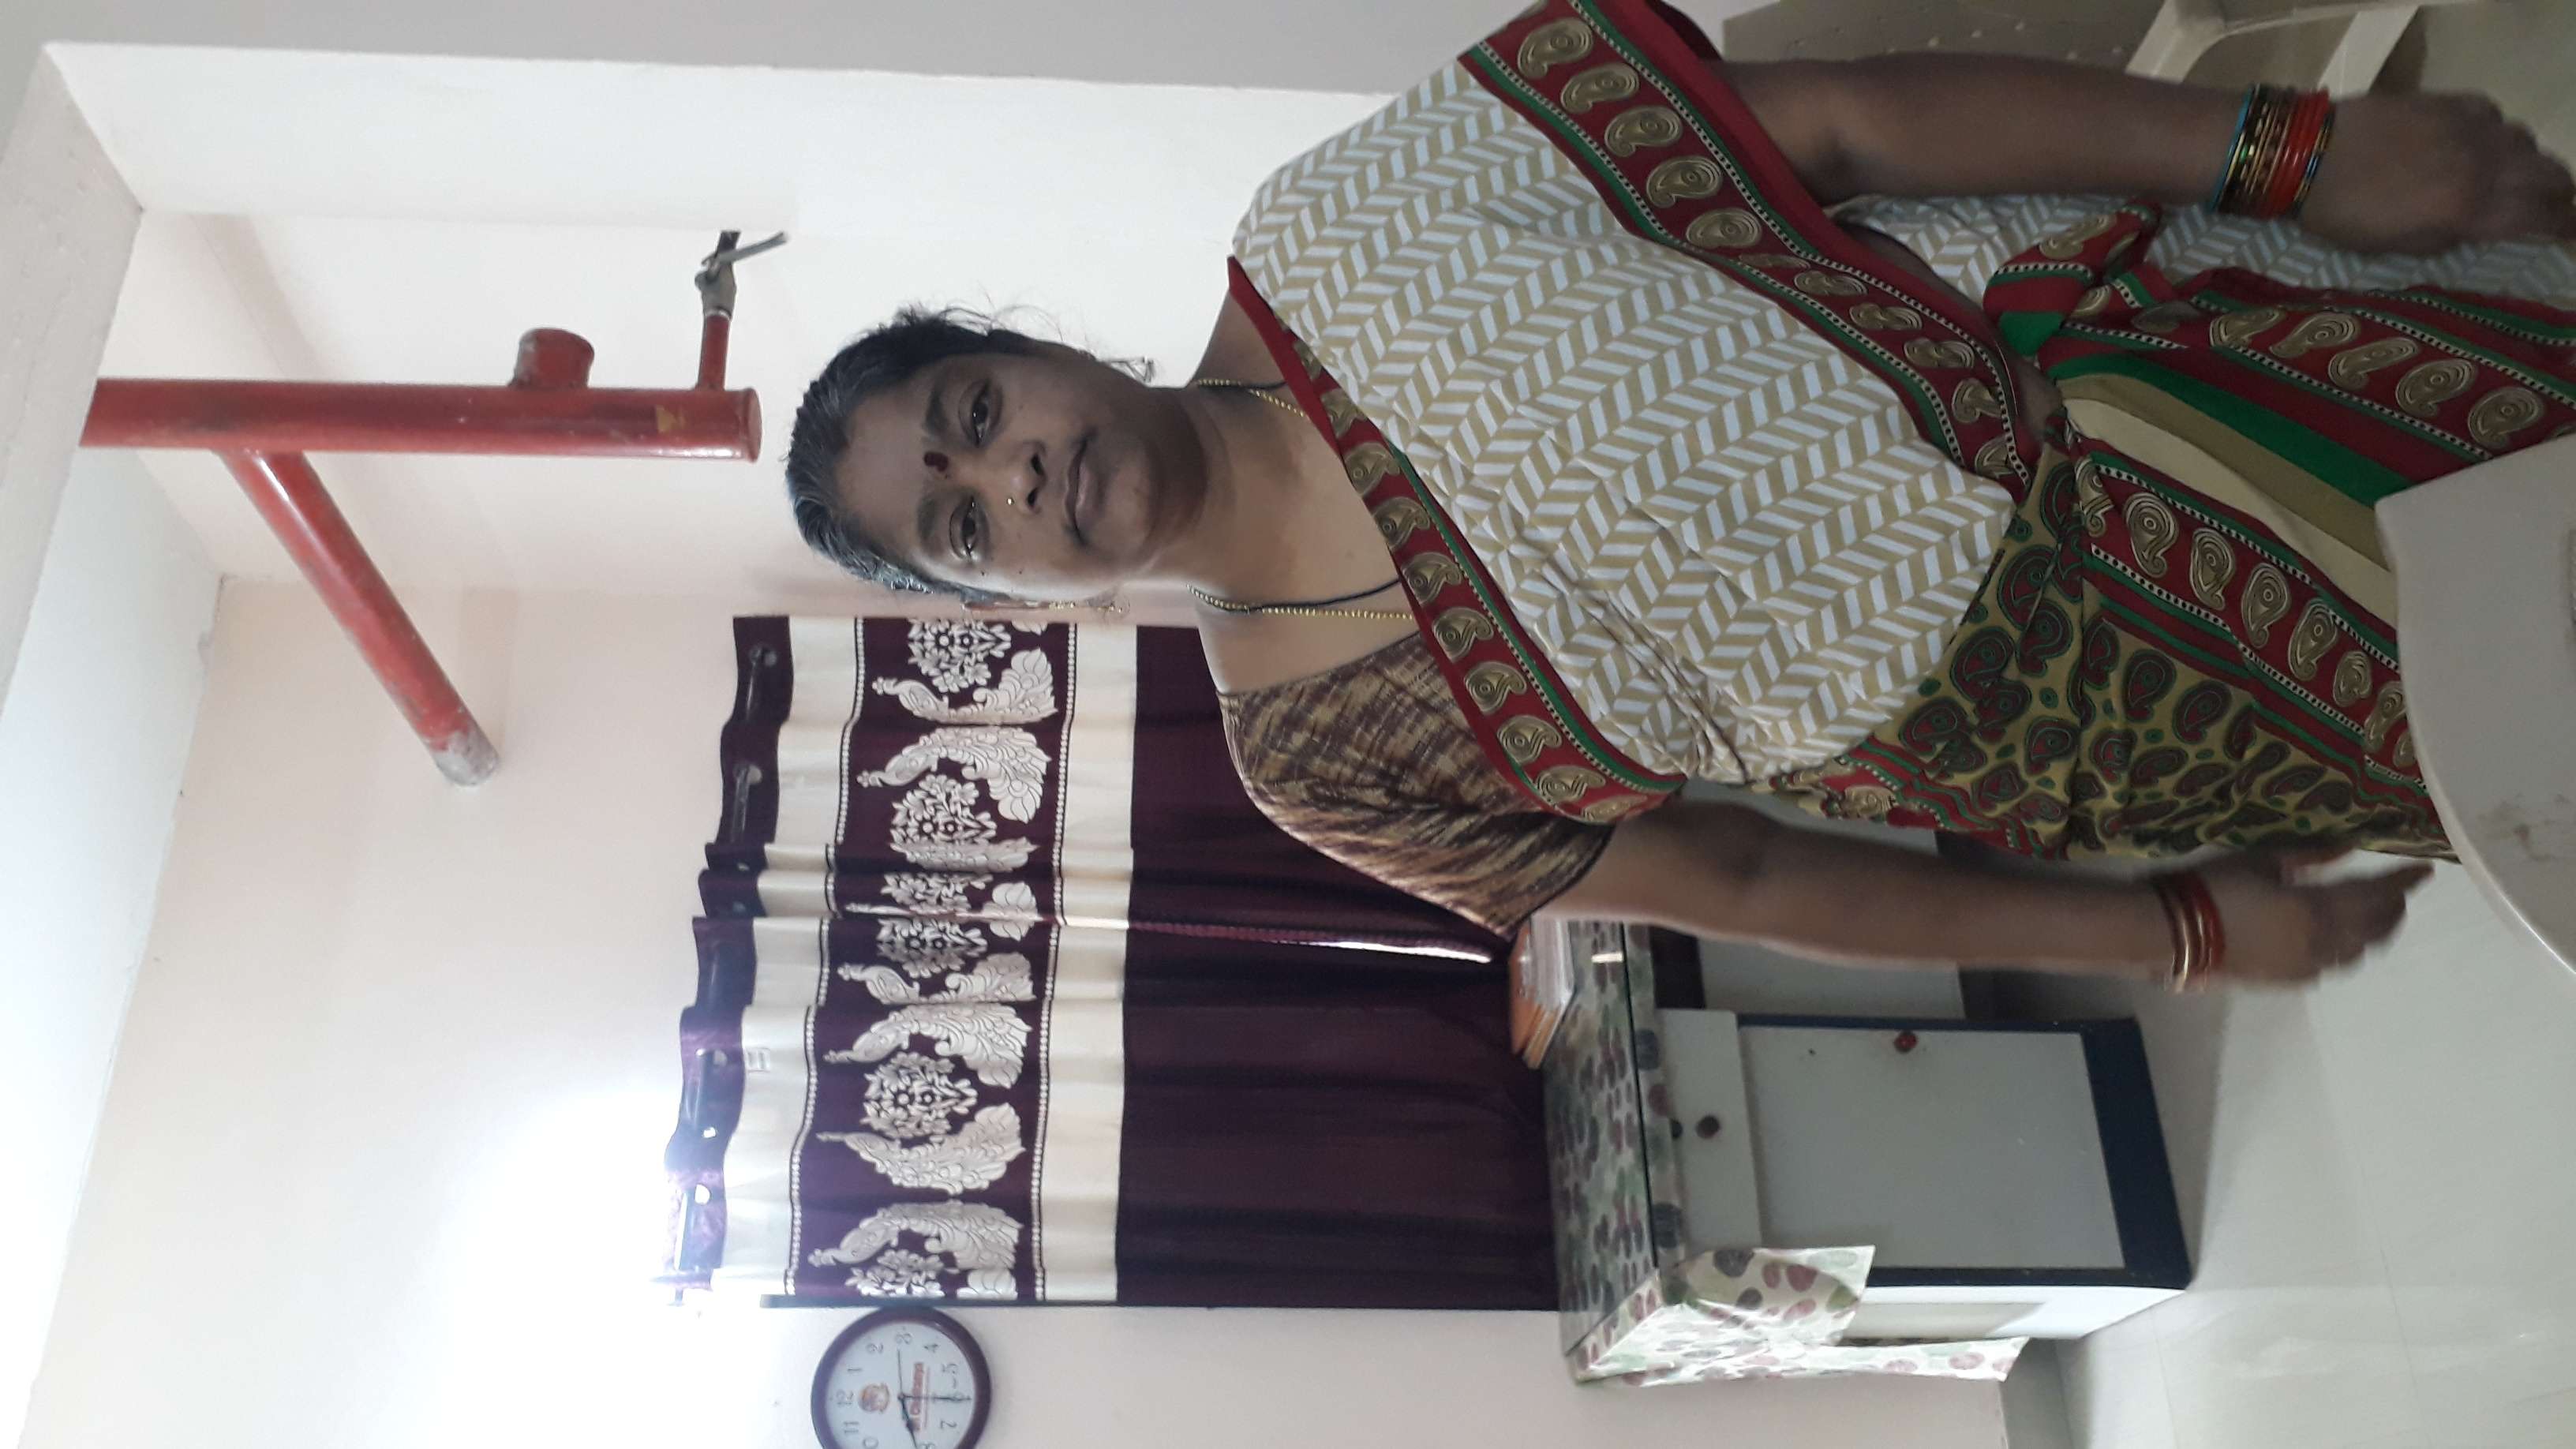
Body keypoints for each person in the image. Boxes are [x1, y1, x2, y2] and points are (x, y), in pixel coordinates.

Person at [784, 0, 2576, 994]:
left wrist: (2287, 151)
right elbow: (1738, 869)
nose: (1013, 472)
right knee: (2534, 753)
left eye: (973, 411)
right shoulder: (1314, 757)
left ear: (1033, 347)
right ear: (1020, 602)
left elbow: (1844, 124)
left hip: (2171, 407)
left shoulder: (1343, 228)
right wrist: (2172, 929)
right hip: (2125, 732)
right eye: (965, 523)